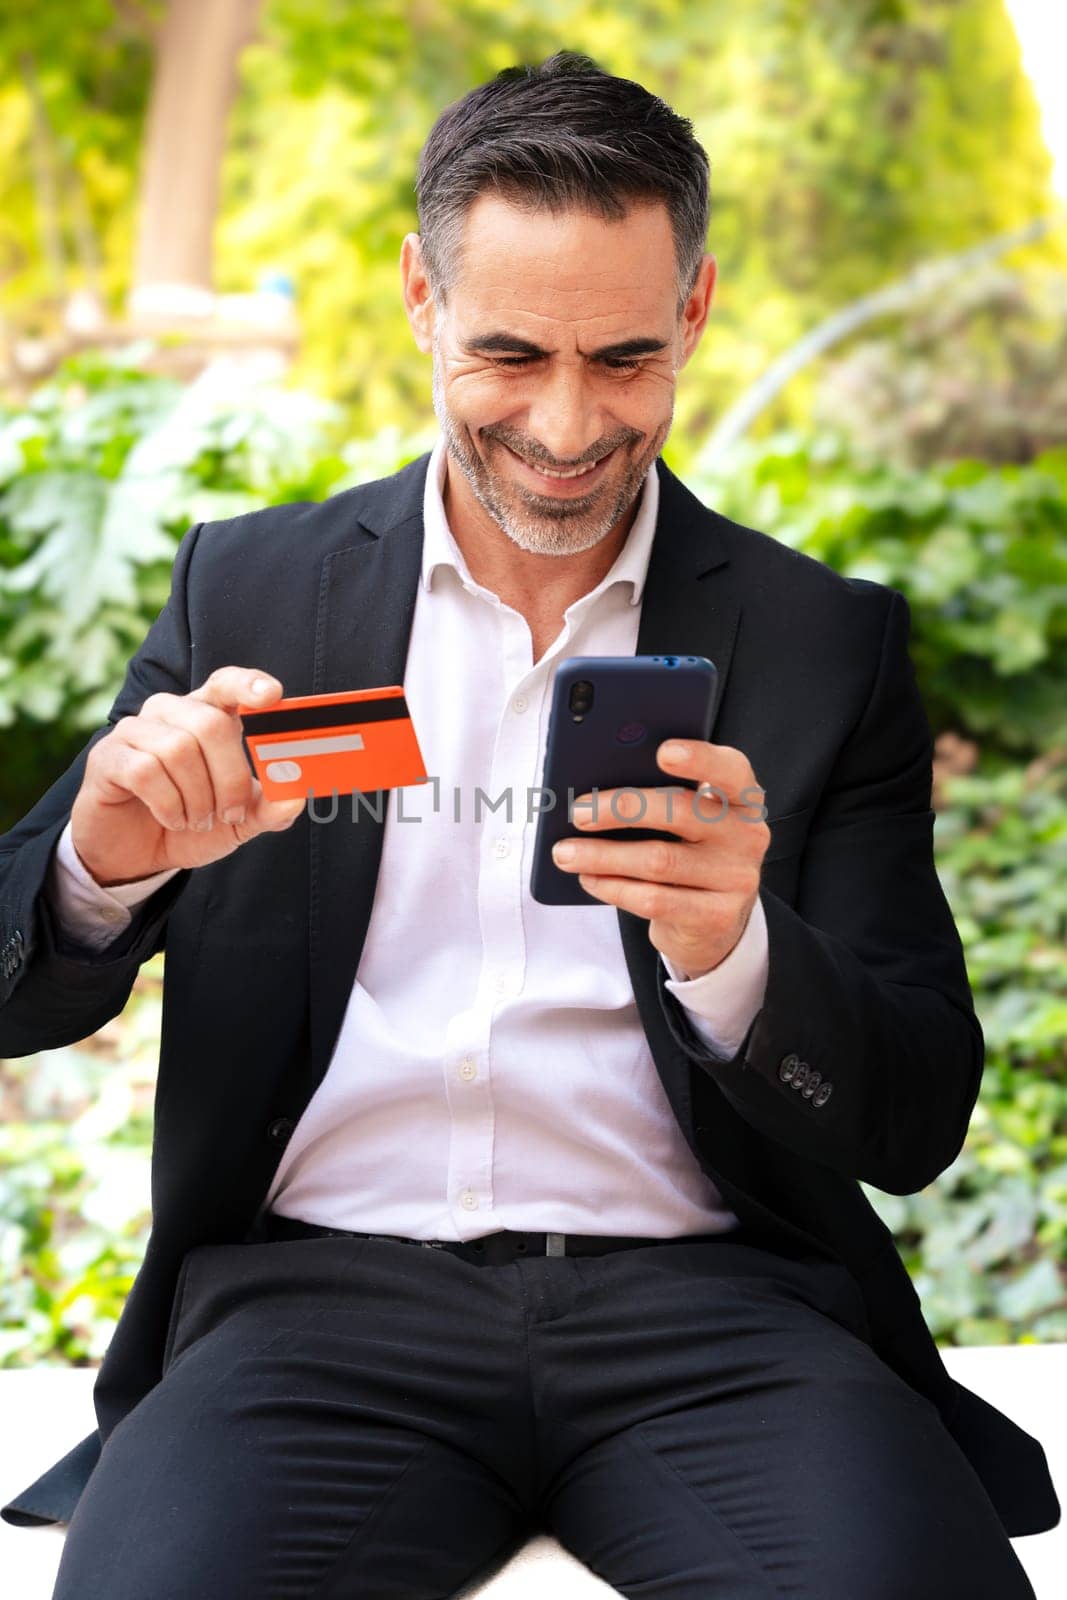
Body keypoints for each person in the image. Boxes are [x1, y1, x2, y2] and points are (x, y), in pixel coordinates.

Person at [0, 48, 1057, 1600]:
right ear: (420, 298)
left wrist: (737, 956)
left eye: (624, 359)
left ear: (694, 311)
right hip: (312, 1318)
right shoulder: (253, 587)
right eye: (510, 356)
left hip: (720, 1320)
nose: (567, 427)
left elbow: (916, 1113)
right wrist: (103, 862)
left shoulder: (826, 644)